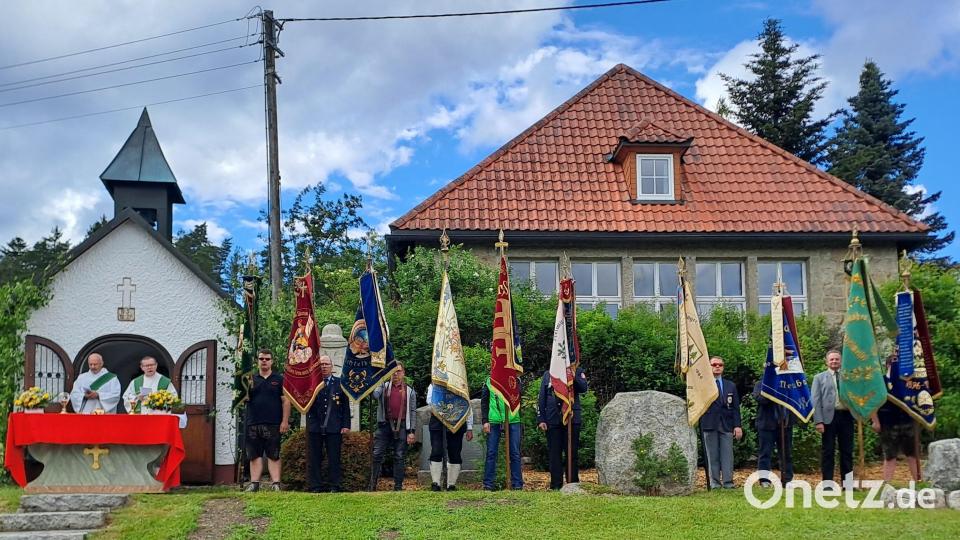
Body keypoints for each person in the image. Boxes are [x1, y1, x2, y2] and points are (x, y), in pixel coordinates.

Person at [244, 349, 291, 492]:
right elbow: (243, 399)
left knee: (274, 454)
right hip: (253, 422)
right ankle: (254, 484)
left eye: (267, 359)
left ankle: (276, 483)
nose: (264, 361)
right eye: (261, 358)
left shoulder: (279, 379)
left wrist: (284, 421)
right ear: (257, 361)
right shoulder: (249, 379)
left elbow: (286, 401)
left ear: (272, 361)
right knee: (254, 455)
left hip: (273, 423)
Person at [368, 362, 417, 491]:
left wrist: (411, 431)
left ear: (403, 373)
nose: (395, 374)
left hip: (401, 426)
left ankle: (398, 487)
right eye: (393, 371)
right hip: (384, 425)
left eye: (398, 371)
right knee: (377, 454)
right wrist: (380, 379)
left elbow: (412, 411)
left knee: (399, 456)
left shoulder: (410, 390)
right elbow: (374, 395)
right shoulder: (383, 386)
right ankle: (372, 485)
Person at [537, 367, 589, 490]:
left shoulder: (578, 371)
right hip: (552, 418)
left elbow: (583, 388)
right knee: (554, 453)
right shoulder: (548, 374)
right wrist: (541, 419)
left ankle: (572, 484)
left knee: (572, 453)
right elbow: (542, 397)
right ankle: (556, 485)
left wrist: (573, 375)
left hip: (572, 418)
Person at [306, 355, 351, 493]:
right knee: (314, 458)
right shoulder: (312, 384)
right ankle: (316, 486)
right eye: (321, 364)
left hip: (334, 426)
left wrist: (346, 425)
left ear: (332, 366)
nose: (324, 366)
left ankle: (334, 485)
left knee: (334, 458)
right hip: (315, 427)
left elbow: (345, 407)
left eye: (326, 364)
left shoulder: (340, 383)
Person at [812, 349, 855, 490]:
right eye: (832, 359)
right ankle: (827, 484)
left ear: (841, 361)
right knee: (828, 451)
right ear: (827, 361)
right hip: (828, 419)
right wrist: (818, 421)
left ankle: (847, 484)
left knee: (847, 451)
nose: (834, 361)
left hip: (847, 416)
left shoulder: (849, 377)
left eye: (837, 359)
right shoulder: (819, 378)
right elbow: (816, 401)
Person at [699, 356, 742, 489]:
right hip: (709, 423)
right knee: (712, 455)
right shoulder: (703, 384)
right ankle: (715, 483)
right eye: (714, 365)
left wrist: (737, 425)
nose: (717, 367)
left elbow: (735, 408)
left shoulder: (730, 385)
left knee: (727, 455)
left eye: (720, 365)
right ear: (709, 367)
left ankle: (728, 482)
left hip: (727, 424)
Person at [426, 383, 474, 491]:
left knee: (455, 453)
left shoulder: (461, 382)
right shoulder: (434, 384)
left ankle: (451, 485)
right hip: (438, 422)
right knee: (436, 451)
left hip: (457, 422)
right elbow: (430, 400)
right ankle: (436, 483)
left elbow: (467, 405)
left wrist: (469, 427)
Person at [481, 378, 523, 491]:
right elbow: (484, 402)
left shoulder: (515, 380)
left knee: (515, 453)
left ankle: (517, 484)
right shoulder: (489, 382)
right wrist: (485, 421)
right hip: (494, 421)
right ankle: (488, 484)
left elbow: (519, 400)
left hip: (513, 420)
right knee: (491, 453)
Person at [752, 380, 794, 486]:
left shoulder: (788, 383)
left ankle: (787, 479)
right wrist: (774, 391)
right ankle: (764, 480)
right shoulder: (761, 384)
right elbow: (760, 399)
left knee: (786, 454)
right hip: (767, 425)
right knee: (765, 453)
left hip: (785, 424)